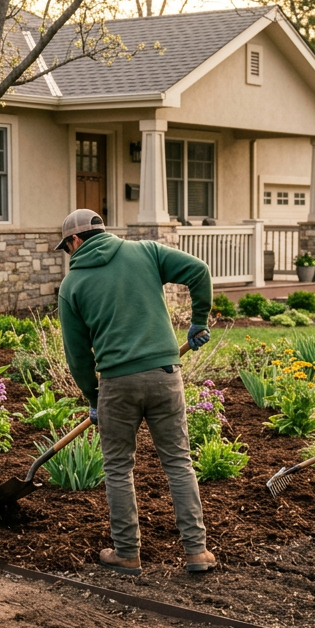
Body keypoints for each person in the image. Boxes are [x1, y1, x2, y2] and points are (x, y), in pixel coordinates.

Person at [56, 209, 216, 576]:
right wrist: (198, 321)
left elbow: (78, 356)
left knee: (117, 468)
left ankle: (127, 553)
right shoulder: (146, 251)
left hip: (117, 384)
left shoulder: (72, 285)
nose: (68, 254)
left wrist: (93, 398)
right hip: (165, 375)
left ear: (75, 240)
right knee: (178, 462)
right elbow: (199, 271)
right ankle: (196, 551)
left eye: (66, 247)